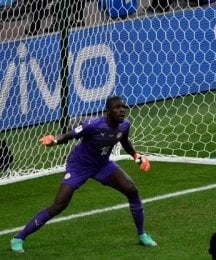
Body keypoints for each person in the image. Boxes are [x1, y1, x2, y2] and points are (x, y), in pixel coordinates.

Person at [10, 96, 156, 253]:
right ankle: (18, 238)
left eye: (123, 107)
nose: (121, 110)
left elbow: (124, 141)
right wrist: (53, 141)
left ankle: (142, 235)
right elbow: (68, 136)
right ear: (108, 111)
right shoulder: (92, 125)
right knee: (59, 205)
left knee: (132, 190)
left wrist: (136, 156)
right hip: (79, 166)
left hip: (102, 165)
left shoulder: (124, 125)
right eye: (117, 107)